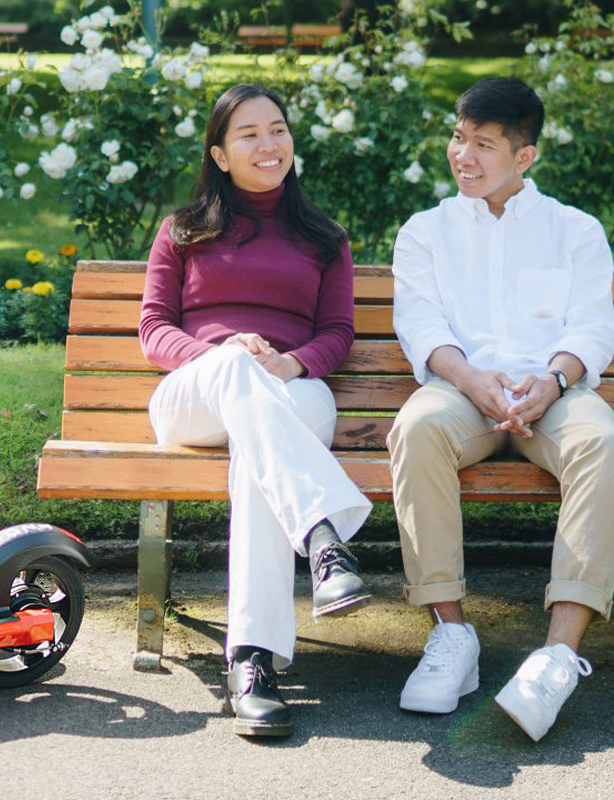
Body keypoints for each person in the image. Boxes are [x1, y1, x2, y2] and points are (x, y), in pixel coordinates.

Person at [139, 83, 373, 738]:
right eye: (249, 134)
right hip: (197, 392)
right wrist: (224, 355)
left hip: (292, 391)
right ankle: (324, 538)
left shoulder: (325, 237)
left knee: (258, 462)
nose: (269, 144)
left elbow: (337, 332)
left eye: (278, 129)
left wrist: (291, 364)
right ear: (218, 153)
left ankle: (251, 661)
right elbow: (155, 329)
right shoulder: (182, 231)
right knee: (240, 374)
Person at [388, 77, 614, 741]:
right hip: (461, 392)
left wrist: (551, 380)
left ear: (525, 156)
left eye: (483, 144)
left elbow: (593, 326)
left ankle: (556, 657)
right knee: (418, 427)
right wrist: (471, 380)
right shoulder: (424, 232)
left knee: (603, 440)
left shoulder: (575, 231)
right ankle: (451, 635)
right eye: (459, 137)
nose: (464, 155)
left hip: (554, 395)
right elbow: (421, 323)